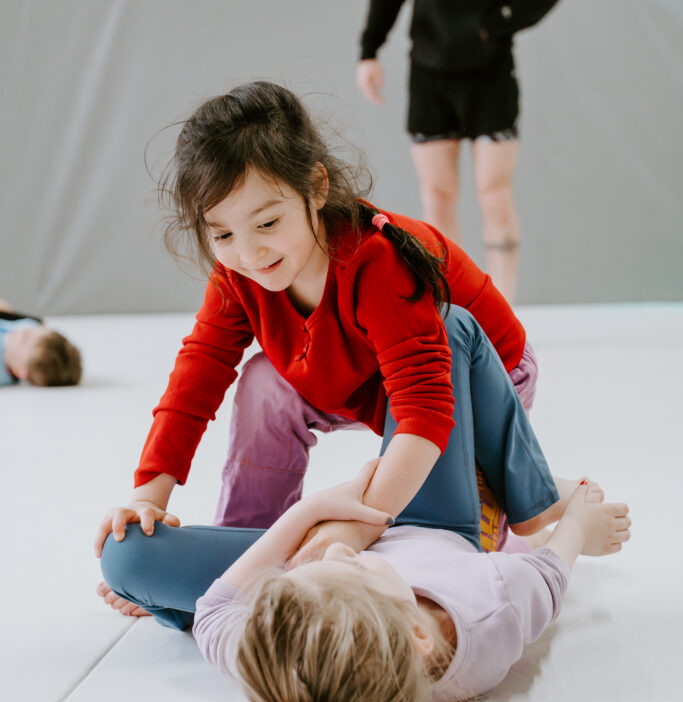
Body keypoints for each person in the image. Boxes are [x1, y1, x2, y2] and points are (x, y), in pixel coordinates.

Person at [97, 306, 631, 702]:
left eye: (290, 580)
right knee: (445, 324)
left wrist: (314, 514)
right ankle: (524, 496)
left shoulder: (269, 655)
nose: (338, 553)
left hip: (349, 522)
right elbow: (550, 574)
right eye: (348, 566)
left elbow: (217, 610)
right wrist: (579, 530)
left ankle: (176, 601)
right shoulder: (489, 614)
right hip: (432, 524)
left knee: (126, 559)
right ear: (419, 635)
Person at [93, 80, 549, 578]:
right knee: (265, 381)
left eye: (267, 224)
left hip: (472, 380)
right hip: (359, 368)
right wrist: (147, 494)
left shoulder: (377, 261)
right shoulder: (239, 273)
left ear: (317, 188)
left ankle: (502, 497)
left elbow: (424, 410)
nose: (249, 253)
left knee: (437, 542)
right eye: (222, 234)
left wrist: (355, 527)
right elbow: (197, 372)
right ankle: (250, 541)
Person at [357, 0, 562, 303]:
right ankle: (454, 304)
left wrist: (496, 25)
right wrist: (369, 51)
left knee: (493, 191)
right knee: (436, 194)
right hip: (429, 74)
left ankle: (503, 307)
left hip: (490, 73)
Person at [0, 298, 82, 387]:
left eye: (25, 339)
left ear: (21, 371)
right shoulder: (31, 329)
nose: (25, 331)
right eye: (33, 331)